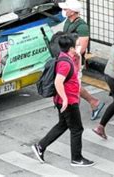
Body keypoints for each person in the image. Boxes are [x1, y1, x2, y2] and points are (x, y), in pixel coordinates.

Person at [32, 34, 95, 167]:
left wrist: (77, 60)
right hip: (68, 101)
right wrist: (65, 99)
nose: (80, 47)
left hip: (66, 99)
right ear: (71, 48)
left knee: (63, 124)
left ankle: (40, 146)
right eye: (77, 45)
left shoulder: (66, 57)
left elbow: (74, 75)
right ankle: (76, 159)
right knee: (77, 129)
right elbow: (58, 82)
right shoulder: (65, 63)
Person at [58, 0, 105, 120]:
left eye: (66, 9)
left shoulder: (82, 27)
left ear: (73, 12)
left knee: (74, 86)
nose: (64, 11)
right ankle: (93, 102)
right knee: (74, 85)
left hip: (75, 62)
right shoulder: (68, 22)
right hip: (68, 60)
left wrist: (73, 61)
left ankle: (86, 106)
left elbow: (82, 48)